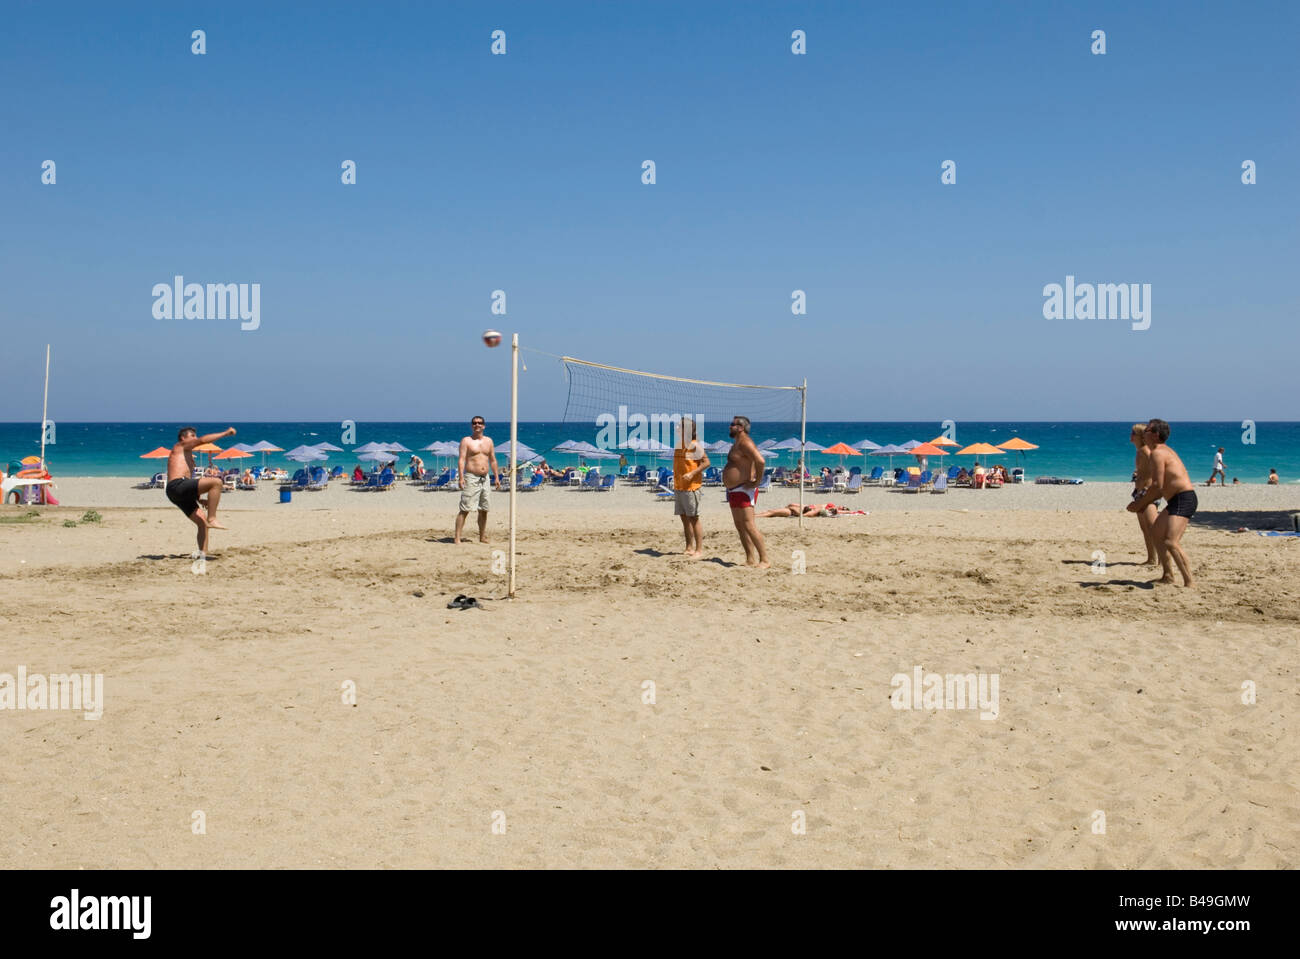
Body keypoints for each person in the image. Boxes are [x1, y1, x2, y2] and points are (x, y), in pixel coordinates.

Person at [1128, 419, 1196, 587]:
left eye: (1148, 430)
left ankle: (1190, 582)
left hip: (1184, 498)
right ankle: (1168, 575)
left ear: (1155, 435)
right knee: (1156, 534)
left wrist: (1140, 503)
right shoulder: (1160, 451)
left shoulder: (1158, 453)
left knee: (1170, 541)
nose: (1144, 433)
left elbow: (1158, 486)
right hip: (1175, 500)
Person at [166, 426, 236, 554]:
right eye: (192, 436)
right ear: (183, 438)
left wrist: (199, 499)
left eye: (195, 436)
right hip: (176, 485)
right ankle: (213, 518)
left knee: (202, 523)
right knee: (216, 482)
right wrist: (225, 433)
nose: (195, 438)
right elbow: (203, 440)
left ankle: (202, 554)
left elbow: (188, 483)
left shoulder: (190, 459)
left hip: (178, 492)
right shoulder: (180, 446)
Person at [722, 415, 769, 568]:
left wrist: (757, 481)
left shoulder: (745, 443)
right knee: (739, 525)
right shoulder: (737, 443)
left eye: (732, 424)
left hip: (744, 489)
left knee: (749, 525)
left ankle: (765, 560)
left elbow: (760, 460)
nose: (729, 426)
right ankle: (750, 558)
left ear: (741, 428)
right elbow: (750, 462)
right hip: (734, 489)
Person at [455, 416, 499, 544]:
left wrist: (496, 477)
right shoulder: (466, 441)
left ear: (484, 425)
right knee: (465, 508)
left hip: (485, 478)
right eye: (474, 423)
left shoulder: (489, 441)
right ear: (471, 425)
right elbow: (462, 459)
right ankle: (457, 537)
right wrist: (461, 477)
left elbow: (493, 460)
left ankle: (482, 536)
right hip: (471, 477)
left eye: (480, 423)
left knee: (484, 509)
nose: (477, 425)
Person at [672, 417, 710, 557]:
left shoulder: (694, 445)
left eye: (678, 426)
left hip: (691, 487)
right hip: (679, 486)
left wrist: (692, 473)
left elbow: (706, 462)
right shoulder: (679, 444)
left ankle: (699, 550)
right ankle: (689, 547)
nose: (676, 428)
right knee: (684, 518)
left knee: (694, 518)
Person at [1129, 424, 1159, 566]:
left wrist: (1147, 487)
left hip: (1147, 493)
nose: (1131, 435)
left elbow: (1157, 470)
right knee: (1145, 528)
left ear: (1140, 436)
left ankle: (1160, 560)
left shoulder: (1145, 451)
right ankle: (1152, 558)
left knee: (1152, 528)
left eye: (1133, 433)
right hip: (1139, 493)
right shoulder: (1140, 451)